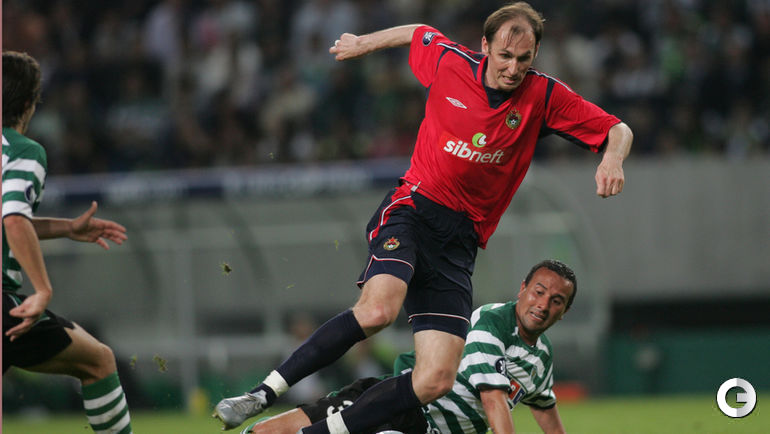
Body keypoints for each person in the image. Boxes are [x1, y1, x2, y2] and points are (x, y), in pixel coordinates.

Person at [214, 2, 632, 432]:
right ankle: (260, 395)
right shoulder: (451, 63)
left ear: (535, 55)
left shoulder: (543, 96)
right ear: (485, 46)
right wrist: (362, 43)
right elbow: (417, 31)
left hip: (459, 244)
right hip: (414, 210)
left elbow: (618, 129)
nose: (513, 68)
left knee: (435, 379)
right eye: (505, 56)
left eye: (523, 59)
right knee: (378, 311)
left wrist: (612, 159)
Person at [241, 259, 576, 434]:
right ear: (522, 288)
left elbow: (543, 406)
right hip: (398, 404)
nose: (543, 304)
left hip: (421, 426)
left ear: (564, 312)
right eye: (539, 292)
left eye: (556, 300)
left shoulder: (541, 357)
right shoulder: (493, 321)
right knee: (270, 431)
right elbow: (492, 399)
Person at [2, 50, 132, 434]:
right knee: (98, 360)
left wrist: (67, 228)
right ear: (30, 104)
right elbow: (13, 218)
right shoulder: (22, 150)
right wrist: (42, 288)